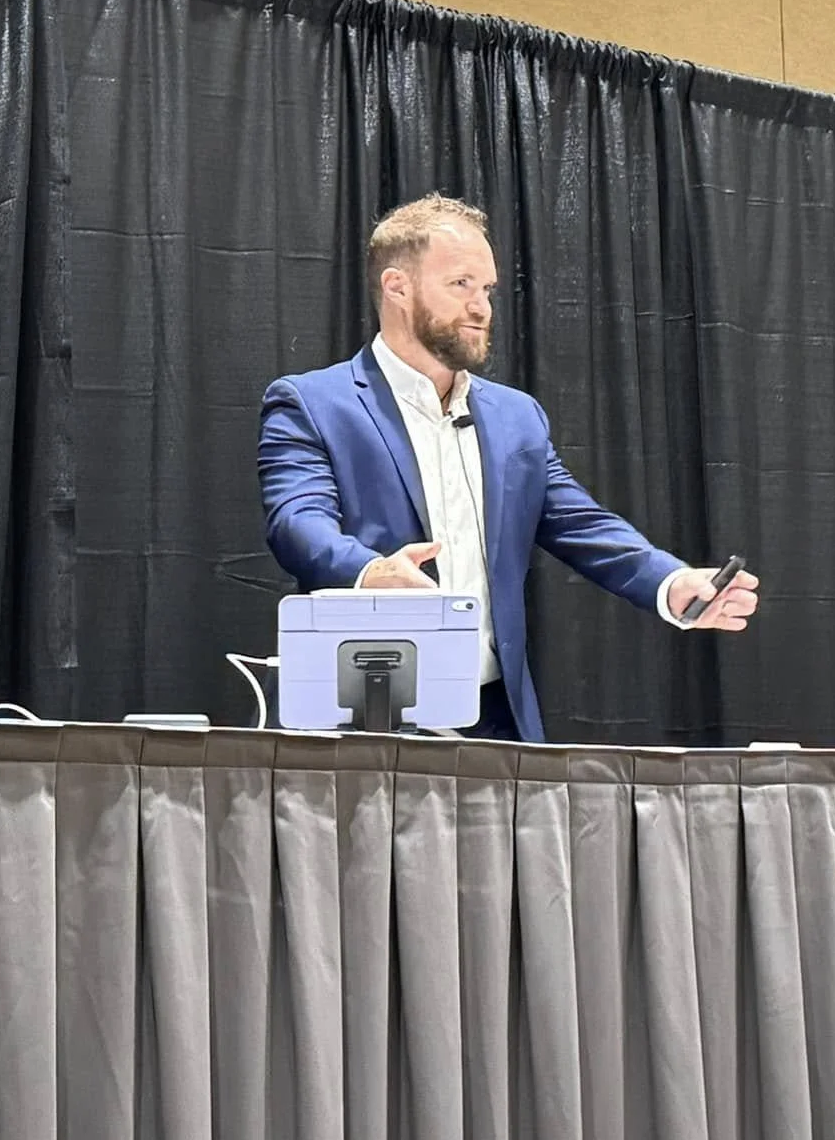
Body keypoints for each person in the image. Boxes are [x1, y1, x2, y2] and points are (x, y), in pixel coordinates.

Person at [258, 195, 759, 741]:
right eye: (461, 285)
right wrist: (368, 573)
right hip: (366, 711)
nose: (482, 307)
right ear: (397, 287)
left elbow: (581, 524)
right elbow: (297, 523)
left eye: (487, 289)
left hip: (495, 719)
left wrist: (672, 580)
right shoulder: (312, 403)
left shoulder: (516, 416)